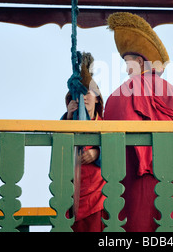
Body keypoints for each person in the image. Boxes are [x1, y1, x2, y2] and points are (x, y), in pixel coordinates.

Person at [103, 12, 173, 232]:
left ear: (140, 61)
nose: (126, 69)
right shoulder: (171, 91)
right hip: (169, 179)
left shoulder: (123, 92)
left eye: (127, 63)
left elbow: (110, 125)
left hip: (135, 178)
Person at [61, 52, 106, 232]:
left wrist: (97, 153)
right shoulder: (67, 122)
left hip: (98, 196)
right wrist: (69, 117)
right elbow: (59, 151)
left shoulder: (105, 125)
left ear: (97, 99)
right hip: (71, 193)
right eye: (80, 95)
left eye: (88, 94)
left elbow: (118, 155)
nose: (84, 98)